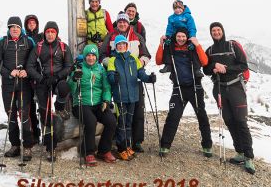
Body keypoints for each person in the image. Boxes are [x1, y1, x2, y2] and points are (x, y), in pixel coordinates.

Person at [203, 22, 255, 174]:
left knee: (240, 121)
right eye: (213, 30)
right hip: (219, 88)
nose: (216, 32)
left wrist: (226, 68)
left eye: (218, 30)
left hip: (235, 87)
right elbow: (205, 69)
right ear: (211, 33)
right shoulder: (210, 51)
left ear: (222, 31)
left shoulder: (232, 46)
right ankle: (239, 152)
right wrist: (213, 68)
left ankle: (249, 156)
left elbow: (243, 66)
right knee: (230, 121)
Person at [100, 12, 151, 153]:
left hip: (134, 80)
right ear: (117, 23)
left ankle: (136, 142)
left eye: (125, 22)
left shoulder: (137, 36)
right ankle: (121, 143)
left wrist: (140, 64)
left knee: (137, 113)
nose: (123, 24)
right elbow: (102, 54)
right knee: (121, 116)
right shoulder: (110, 36)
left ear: (129, 23)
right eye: (120, 22)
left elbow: (146, 54)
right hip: (118, 81)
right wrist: (110, 65)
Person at [157, 29, 212, 157]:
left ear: (186, 37)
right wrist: (161, 44)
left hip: (195, 87)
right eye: (178, 36)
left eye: (183, 36)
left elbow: (204, 62)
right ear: (175, 37)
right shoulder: (170, 48)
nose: (180, 38)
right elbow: (159, 61)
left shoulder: (193, 48)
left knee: (202, 116)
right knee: (173, 116)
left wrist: (198, 45)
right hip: (179, 88)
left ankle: (207, 145)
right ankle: (165, 145)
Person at [26, 21, 73, 162]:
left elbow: (69, 65)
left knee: (64, 87)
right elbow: (30, 66)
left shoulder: (64, 47)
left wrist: (57, 76)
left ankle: (59, 107)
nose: (50, 34)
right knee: (45, 114)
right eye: (48, 32)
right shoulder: (38, 47)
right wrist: (41, 78)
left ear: (56, 33)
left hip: (58, 80)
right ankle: (50, 148)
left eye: (53, 32)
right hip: (43, 82)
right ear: (44, 33)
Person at [0, 16, 35, 160]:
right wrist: (9, 72)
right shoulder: (2, 41)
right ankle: (15, 145)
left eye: (17, 26)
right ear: (9, 29)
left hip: (24, 84)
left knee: (24, 114)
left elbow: (35, 60)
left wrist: (27, 71)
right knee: (11, 114)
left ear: (21, 28)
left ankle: (28, 146)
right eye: (12, 27)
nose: (15, 29)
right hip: (9, 84)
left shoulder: (28, 41)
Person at [107, 35, 155, 161]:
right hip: (120, 97)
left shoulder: (134, 58)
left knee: (129, 122)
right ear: (116, 46)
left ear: (127, 45)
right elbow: (110, 76)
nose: (121, 46)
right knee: (122, 123)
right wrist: (113, 78)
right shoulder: (113, 60)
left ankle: (128, 146)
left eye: (123, 44)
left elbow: (141, 74)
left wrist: (149, 78)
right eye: (119, 44)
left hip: (133, 96)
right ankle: (121, 148)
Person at [67, 44, 117, 166]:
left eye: (93, 55)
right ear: (84, 56)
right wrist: (74, 78)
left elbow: (106, 87)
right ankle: (88, 152)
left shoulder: (100, 69)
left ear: (97, 57)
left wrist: (106, 100)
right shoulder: (78, 68)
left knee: (111, 120)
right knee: (91, 121)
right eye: (88, 55)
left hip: (98, 103)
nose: (91, 58)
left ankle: (104, 150)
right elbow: (70, 88)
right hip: (81, 103)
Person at [160, 0, 197, 73]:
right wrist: (168, 36)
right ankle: (168, 65)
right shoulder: (171, 18)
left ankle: (197, 68)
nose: (178, 10)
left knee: (194, 48)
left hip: (186, 36)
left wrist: (192, 37)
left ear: (183, 8)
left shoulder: (188, 16)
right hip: (176, 36)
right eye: (175, 8)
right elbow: (169, 28)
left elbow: (191, 27)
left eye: (179, 8)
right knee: (167, 45)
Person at [24, 14, 42, 142]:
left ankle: (44, 132)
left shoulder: (41, 36)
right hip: (27, 75)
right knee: (29, 105)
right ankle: (34, 132)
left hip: (39, 74)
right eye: (29, 23)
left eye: (33, 23)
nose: (31, 25)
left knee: (41, 104)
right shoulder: (23, 37)